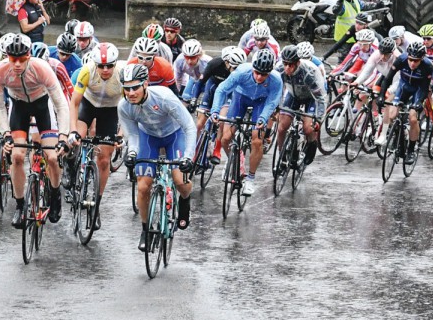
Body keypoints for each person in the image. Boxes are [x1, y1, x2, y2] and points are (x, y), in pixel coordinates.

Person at [0, 34, 71, 227]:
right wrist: (5, 134)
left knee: (51, 157)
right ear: (6, 57)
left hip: (43, 105)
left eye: (22, 59)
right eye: (12, 59)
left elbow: (61, 104)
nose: (17, 64)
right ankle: (19, 205)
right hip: (19, 108)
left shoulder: (42, 68)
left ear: (29, 56)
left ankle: (55, 193)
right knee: (17, 157)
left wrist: (63, 136)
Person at [119, 63, 196, 250]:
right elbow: (134, 135)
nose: (130, 93)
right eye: (126, 88)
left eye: (135, 87)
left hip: (175, 135)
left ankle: (184, 200)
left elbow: (189, 126)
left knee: (180, 181)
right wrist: (131, 153)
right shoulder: (124, 106)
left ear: (145, 84)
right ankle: (145, 229)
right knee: (143, 186)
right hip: (148, 138)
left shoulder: (164, 97)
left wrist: (188, 157)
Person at [211, 49, 283, 196]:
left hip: (261, 102)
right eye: (257, 72)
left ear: (270, 72)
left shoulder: (276, 80)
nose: (259, 77)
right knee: (225, 138)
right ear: (252, 68)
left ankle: (250, 178)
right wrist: (215, 110)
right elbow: (221, 90)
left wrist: (263, 118)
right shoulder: (241, 72)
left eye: (264, 74)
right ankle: (234, 161)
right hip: (240, 98)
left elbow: (272, 102)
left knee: (256, 140)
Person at [68, 42, 123, 201]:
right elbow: (75, 103)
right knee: (78, 137)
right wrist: (72, 130)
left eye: (109, 66)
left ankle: (97, 201)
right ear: (95, 64)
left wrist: (120, 135)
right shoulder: (87, 71)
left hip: (110, 110)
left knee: (104, 159)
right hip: (88, 105)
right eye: (101, 66)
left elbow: (128, 109)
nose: (105, 70)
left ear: (115, 64)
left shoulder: (122, 74)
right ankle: (71, 168)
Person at [375, 41, 433, 163]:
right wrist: (381, 96)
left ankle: (411, 150)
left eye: (416, 60)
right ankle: (397, 136)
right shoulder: (401, 59)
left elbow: (425, 88)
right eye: (410, 59)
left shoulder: (428, 66)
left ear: (422, 58)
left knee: (413, 118)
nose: (412, 63)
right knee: (392, 115)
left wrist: (419, 102)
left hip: (418, 91)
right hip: (403, 87)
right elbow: (388, 79)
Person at [275, 44, 328, 166]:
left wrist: (318, 120)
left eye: (291, 64)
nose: (287, 67)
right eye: (285, 63)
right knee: (282, 127)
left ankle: (311, 143)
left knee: (308, 128)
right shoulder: (279, 69)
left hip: (312, 98)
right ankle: (282, 154)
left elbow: (320, 98)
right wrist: (276, 108)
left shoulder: (309, 72)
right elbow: (277, 90)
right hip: (293, 95)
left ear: (298, 62)